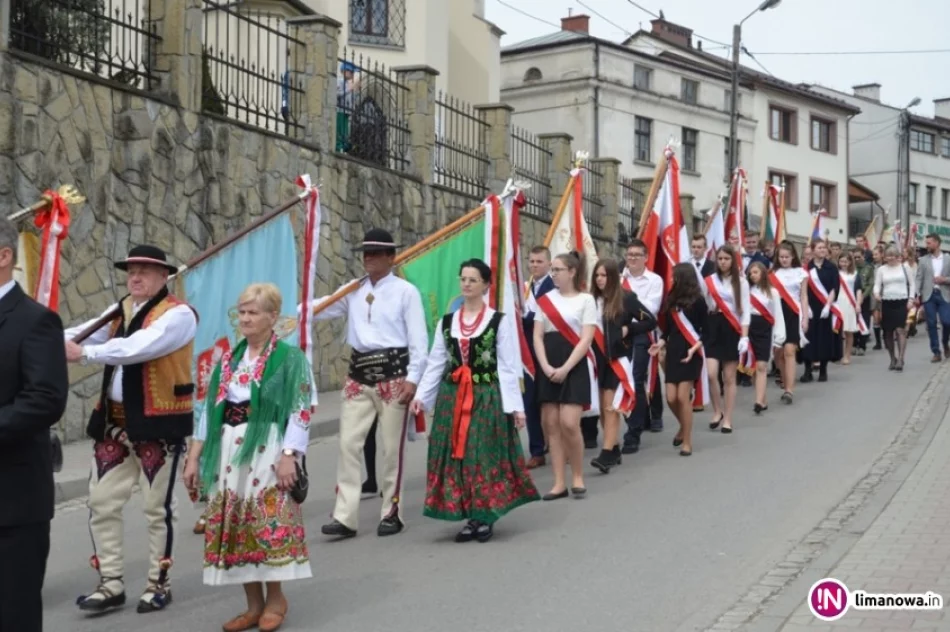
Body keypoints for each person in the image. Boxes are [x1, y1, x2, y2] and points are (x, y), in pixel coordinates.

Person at [65, 245, 198, 615]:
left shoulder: (179, 315)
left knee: (157, 509)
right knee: (101, 502)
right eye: (131, 270)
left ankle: (159, 583)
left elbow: (140, 347)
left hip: (158, 424)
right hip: (115, 422)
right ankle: (111, 583)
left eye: (144, 270)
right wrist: (43, 338)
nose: (135, 276)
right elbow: (83, 333)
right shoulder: (120, 310)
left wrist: (86, 354)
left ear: (164, 276)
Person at [183, 283, 314, 632]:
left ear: (273, 317)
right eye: (241, 312)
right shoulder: (228, 360)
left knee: (265, 522)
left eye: (253, 312)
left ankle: (275, 599)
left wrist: (289, 455)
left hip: (267, 447)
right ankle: (252, 605)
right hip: (228, 450)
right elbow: (208, 413)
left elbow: (301, 410)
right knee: (237, 523)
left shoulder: (290, 359)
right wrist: (194, 457)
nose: (245, 318)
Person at [306, 228, 428, 539]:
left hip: (393, 375)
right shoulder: (353, 289)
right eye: (365, 253)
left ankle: (392, 511)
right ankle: (345, 516)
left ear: (391, 257)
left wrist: (414, 379)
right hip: (359, 375)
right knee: (348, 445)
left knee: (391, 450)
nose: (368, 258)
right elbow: (320, 309)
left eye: (376, 253)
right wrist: (281, 313)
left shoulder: (405, 292)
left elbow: (418, 341)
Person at [411, 259, 540, 542]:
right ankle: (469, 515)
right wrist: (421, 396)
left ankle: (484, 515)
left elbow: (507, 366)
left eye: (472, 279)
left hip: (486, 397)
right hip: (453, 397)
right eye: (463, 279)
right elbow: (436, 362)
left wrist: (516, 408)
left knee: (481, 455)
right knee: (458, 457)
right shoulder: (448, 322)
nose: (466, 284)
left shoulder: (498, 321)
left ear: (485, 285)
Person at [0, 217, 69, 632]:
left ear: (4, 257)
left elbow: (45, 400)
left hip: (12, 502)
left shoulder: (34, 321)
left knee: (13, 614)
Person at [533, 252, 596, 499]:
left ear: (572, 272)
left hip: (574, 365)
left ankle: (577, 475)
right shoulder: (545, 300)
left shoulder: (586, 300)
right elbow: (537, 336)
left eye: (558, 269)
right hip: (548, 363)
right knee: (551, 425)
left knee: (569, 423)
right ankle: (559, 482)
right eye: (553, 270)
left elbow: (586, 338)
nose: (554, 274)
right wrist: (546, 366)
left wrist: (566, 367)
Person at [589, 258, 656, 473]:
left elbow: (650, 321)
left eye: (604, 275)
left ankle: (607, 452)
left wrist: (629, 329)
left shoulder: (626, 298)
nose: (600, 279)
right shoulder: (589, 300)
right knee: (601, 407)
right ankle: (614, 447)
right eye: (597, 275)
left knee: (611, 406)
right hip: (595, 359)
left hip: (617, 358)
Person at [648, 262, 706, 456]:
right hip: (674, 351)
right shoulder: (672, 300)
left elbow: (706, 330)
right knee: (671, 397)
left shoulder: (698, 300)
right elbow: (670, 329)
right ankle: (684, 425)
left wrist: (694, 348)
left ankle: (687, 441)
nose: (671, 279)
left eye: (675, 277)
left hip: (691, 351)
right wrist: (661, 343)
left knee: (683, 397)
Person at [620, 239, 664, 453]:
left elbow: (650, 309)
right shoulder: (619, 279)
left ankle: (633, 433)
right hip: (620, 335)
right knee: (621, 379)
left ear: (646, 257)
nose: (633, 258)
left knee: (636, 379)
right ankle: (638, 417)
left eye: (637, 255)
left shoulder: (654, 280)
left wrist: (628, 307)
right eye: (630, 255)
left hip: (642, 334)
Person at [703, 244, 750, 433]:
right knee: (711, 373)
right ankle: (717, 410)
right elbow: (704, 305)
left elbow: (745, 310)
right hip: (713, 326)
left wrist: (744, 337)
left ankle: (728, 418)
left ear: (733, 260)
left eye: (726, 259)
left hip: (732, 328)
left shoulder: (742, 282)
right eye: (720, 258)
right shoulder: (709, 281)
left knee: (729, 377)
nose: (723, 262)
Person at [522, 246, 554, 468]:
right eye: (532, 261)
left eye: (539, 261)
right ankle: (537, 449)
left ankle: (561, 443)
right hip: (528, 355)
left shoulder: (555, 288)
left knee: (553, 403)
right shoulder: (522, 288)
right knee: (531, 402)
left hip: (550, 351)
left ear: (549, 264)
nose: (534, 265)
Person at [769, 242, 809, 405]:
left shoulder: (801, 273)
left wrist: (805, 317)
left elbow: (804, 296)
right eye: (781, 257)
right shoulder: (772, 274)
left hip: (794, 312)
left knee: (790, 350)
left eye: (787, 256)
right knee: (778, 353)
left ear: (793, 257)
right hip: (777, 313)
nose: (784, 259)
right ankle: (785, 380)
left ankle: (789, 390)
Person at [746, 262, 786, 413]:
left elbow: (778, 315)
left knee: (762, 366)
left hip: (765, 330)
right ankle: (762, 399)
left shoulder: (772, 292)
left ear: (763, 273)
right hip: (749, 329)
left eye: (755, 272)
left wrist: (779, 337)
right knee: (753, 368)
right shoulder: (746, 290)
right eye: (750, 273)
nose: (752, 275)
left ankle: (758, 402)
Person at [802, 239, 841, 383]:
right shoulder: (806, 268)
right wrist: (806, 308)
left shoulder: (831, 267)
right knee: (808, 338)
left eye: (824, 247)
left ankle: (823, 370)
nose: (822, 250)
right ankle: (807, 370)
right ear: (813, 250)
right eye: (819, 248)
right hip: (810, 307)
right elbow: (803, 289)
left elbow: (834, 288)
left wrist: (828, 305)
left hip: (825, 307)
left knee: (824, 338)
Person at [873, 244, 916, 372]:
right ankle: (892, 358)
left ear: (898, 256)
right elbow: (877, 285)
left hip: (902, 301)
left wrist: (911, 299)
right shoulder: (881, 269)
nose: (890, 258)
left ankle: (901, 358)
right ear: (884, 257)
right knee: (888, 332)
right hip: (887, 301)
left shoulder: (905, 267)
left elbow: (912, 284)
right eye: (888, 256)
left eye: (893, 255)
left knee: (900, 330)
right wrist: (876, 293)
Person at [916, 233, 950, 362]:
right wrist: (917, 295)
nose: (927, 245)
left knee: (947, 322)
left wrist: (944, 279)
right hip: (929, 295)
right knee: (931, 324)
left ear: (937, 243)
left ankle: (945, 342)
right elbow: (919, 278)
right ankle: (936, 351)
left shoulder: (948, 259)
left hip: (944, 294)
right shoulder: (923, 260)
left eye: (929, 243)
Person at [836, 253, 863, 365]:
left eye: (846, 261)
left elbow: (858, 290)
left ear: (850, 262)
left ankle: (847, 355)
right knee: (837, 330)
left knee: (848, 331)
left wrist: (858, 304)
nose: (843, 264)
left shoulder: (855, 274)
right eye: (841, 261)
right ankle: (838, 354)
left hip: (849, 303)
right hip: (838, 303)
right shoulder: (836, 274)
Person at [852, 247, 875, 356]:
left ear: (863, 256)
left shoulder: (869, 268)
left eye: (858, 257)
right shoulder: (851, 268)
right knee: (854, 321)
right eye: (854, 257)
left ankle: (862, 345)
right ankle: (854, 344)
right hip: (852, 298)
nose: (856, 259)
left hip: (864, 299)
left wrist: (862, 297)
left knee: (864, 321)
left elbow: (870, 284)